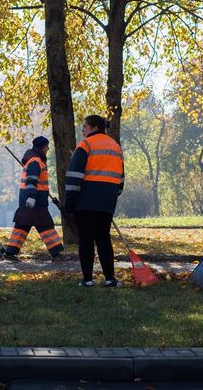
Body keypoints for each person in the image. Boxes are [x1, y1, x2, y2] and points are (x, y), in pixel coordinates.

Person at [65, 115, 125, 287]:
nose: (82, 130)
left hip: (85, 201)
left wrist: (70, 202)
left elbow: (74, 176)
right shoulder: (116, 147)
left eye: (84, 127)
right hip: (107, 201)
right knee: (103, 239)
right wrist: (112, 194)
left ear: (94, 127)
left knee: (86, 240)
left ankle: (87, 279)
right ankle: (109, 278)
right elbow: (121, 179)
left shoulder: (85, 145)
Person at [0, 136, 65, 262]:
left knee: (22, 226)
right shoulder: (35, 161)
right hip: (35, 200)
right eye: (46, 146)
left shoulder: (34, 160)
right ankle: (56, 254)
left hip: (30, 199)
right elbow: (31, 180)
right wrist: (32, 197)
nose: (48, 148)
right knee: (46, 225)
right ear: (42, 147)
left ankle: (10, 253)